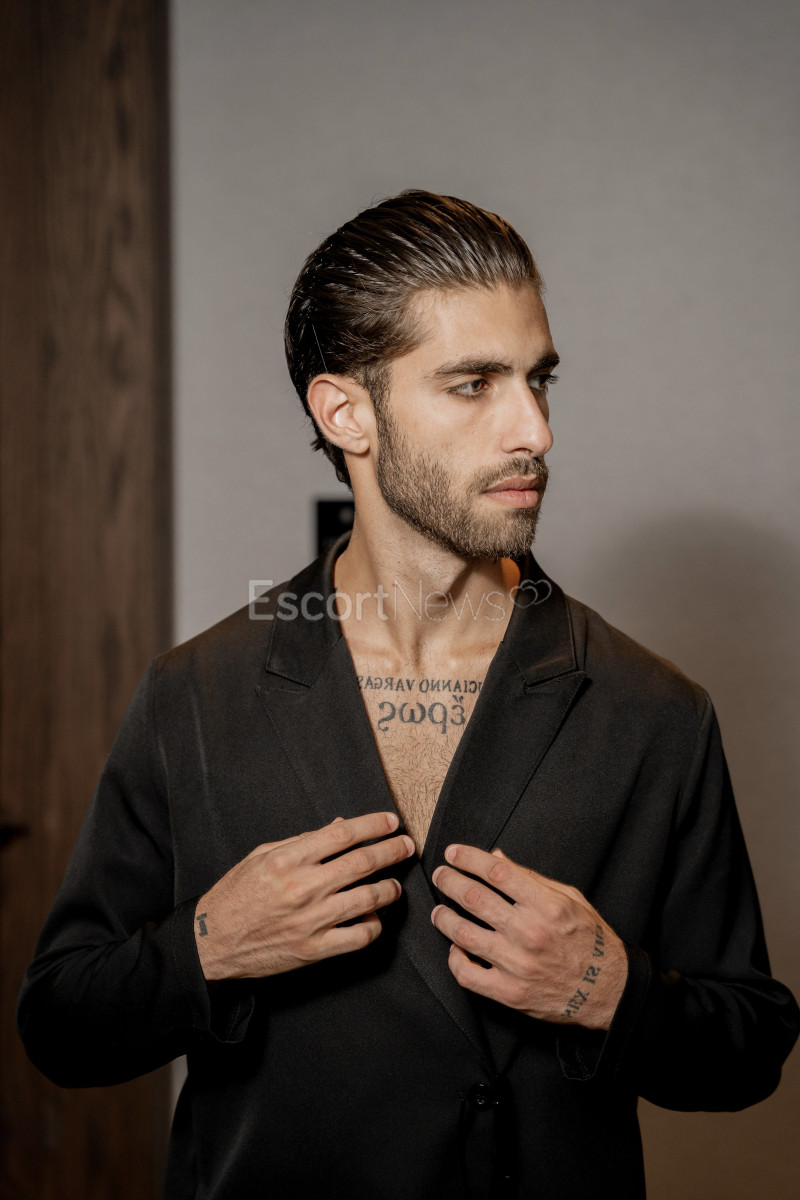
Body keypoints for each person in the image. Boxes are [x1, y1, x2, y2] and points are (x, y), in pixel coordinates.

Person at [18, 190, 799, 1200]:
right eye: (473, 384)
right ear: (345, 413)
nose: (534, 430)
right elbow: (61, 1025)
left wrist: (611, 990)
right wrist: (208, 946)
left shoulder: (651, 710)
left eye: (538, 380)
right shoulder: (195, 695)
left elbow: (748, 1049)